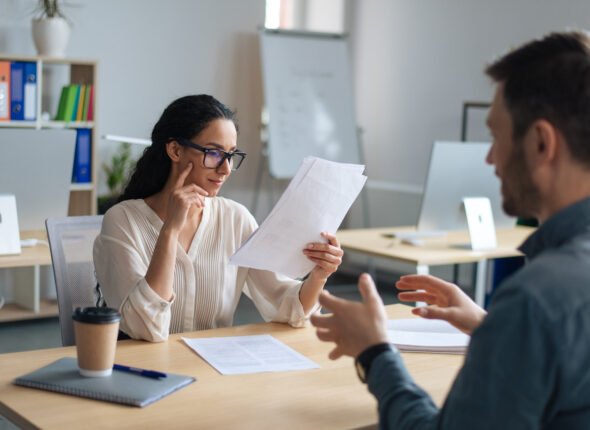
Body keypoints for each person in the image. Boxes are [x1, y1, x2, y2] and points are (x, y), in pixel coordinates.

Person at [311, 31, 590, 428]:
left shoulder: (536, 299)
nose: (490, 159)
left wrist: (375, 352)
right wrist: (492, 327)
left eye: (495, 137)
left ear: (542, 143)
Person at [94, 94, 343, 342]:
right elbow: (146, 328)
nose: (225, 169)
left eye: (231, 155)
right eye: (213, 153)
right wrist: (170, 230)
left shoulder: (235, 218)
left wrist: (319, 275)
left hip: (213, 369)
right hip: (146, 372)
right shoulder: (122, 220)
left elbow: (288, 307)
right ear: (175, 150)